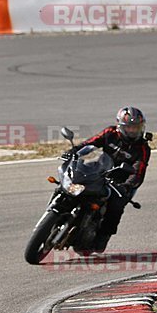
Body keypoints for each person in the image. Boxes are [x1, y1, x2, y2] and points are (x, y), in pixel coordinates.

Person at [64, 107, 151, 251]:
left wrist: (127, 186)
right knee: (74, 179)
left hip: (122, 182)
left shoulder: (142, 148)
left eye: (136, 128)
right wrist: (73, 151)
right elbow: (91, 143)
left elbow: (138, 172)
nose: (132, 131)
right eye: (129, 127)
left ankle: (103, 236)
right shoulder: (110, 133)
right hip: (100, 169)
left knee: (116, 206)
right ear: (120, 126)